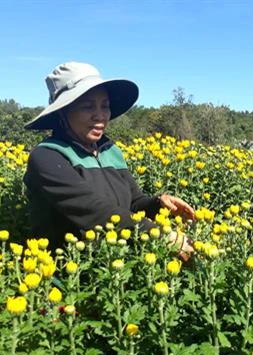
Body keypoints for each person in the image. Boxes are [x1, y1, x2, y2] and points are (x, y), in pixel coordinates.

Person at [23, 62, 195, 258]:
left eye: (105, 106)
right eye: (88, 106)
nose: (100, 115)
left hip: (115, 262)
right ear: (63, 111)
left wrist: (158, 204)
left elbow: (134, 203)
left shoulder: (110, 151)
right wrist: (162, 235)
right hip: (65, 274)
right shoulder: (47, 156)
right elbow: (94, 211)